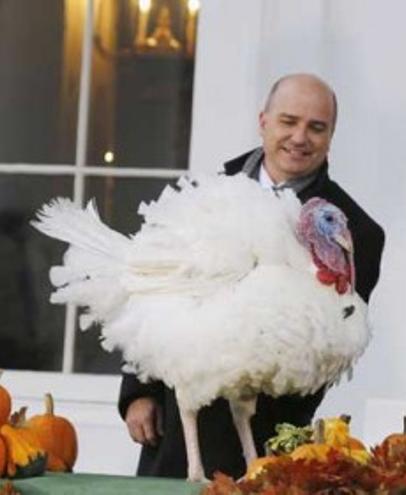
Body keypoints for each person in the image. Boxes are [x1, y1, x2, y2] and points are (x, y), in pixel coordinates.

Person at [118, 73, 385, 479]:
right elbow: (153, 295)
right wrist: (140, 392)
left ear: (331, 136)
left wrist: (273, 437)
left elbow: (329, 350)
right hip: (178, 434)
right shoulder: (206, 194)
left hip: (261, 441)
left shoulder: (355, 231)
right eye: (288, 121)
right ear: (264, 121)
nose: (300, 137)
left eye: (316, 127)